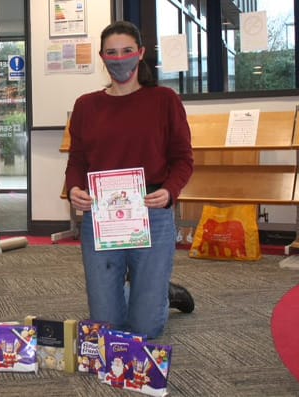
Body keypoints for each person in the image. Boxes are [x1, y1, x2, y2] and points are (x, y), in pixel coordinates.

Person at [65, 21, 194, 338]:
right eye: (111, 53)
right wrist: (74, 189)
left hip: (152, 212)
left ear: (140, 54)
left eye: (126, 51)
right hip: (101, 215)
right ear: (102, 56)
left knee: (144, 329)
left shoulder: (164, 100)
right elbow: (77, 160)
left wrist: (169, 191)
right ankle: (150, 290)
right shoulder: (86, 106)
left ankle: (158, 293)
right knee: (108, 328)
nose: (119, 59)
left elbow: (183, 160)